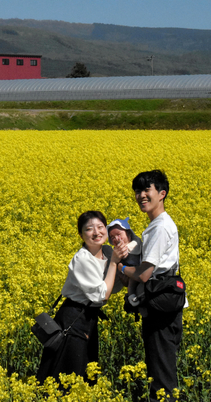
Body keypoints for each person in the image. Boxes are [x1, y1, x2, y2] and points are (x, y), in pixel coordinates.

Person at [113, 170, 187, 402]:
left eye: (147, 190)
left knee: (162, 376)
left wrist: (120, 268)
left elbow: (145, 274)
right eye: (137, 191)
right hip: (165, 299)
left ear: (162, 194)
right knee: (162, 369)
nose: (141, 195)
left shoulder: (159, 227)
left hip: (159, 304)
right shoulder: (159, 224)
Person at [36, 211, 121, 384]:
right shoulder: (82, 259)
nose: (96, 232)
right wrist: (114, 263)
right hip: (73, 318)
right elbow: (102, 295)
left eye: (100, 227)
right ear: (81, 235)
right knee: (69, 371)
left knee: (86, 370)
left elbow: (112, 285)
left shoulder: (106, 251)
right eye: (89, 229)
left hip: (88, 318)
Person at [106, 217, 143, 310]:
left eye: (118, 234)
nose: (116, 238)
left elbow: (136, 246)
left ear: (128, 233)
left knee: (132, 281)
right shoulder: (115, 250)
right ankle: (131, 297)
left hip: (137, 271)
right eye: (112, 237)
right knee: (130, 282)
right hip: (126, 273)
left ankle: (132, 295)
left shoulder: (135, 243)